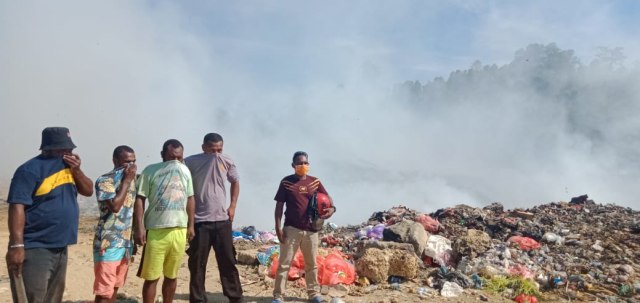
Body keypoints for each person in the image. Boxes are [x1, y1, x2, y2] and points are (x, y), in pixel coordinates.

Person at [5, 127, 94, 303]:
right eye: (63, 149)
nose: (68, 152)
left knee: (53, 298)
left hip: (60, 246)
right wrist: (16, 246)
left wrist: (77, 170)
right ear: (48, 148)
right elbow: (17, 206)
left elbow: (88, 190)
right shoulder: (29, 170)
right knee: (32, 297)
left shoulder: (69, 168)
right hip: (36, 246)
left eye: (70, 148)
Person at [133, 139, 195, 303]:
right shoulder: (150, 171)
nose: (176, 161)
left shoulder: (185, 171)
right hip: (156, 230)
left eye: (179, 157)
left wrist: (191, 225)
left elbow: (190, 198)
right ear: (163, 155)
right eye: (172, 157)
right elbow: (140, 199)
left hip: (179, 230)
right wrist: (138, 228)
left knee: (172, 275)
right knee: (152, 277)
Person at [185, 133, 243, 303]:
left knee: (228, 261)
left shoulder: (227, 160)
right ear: (204, 147)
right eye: (213, 150)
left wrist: (232, 206)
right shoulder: (190, 162)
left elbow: (235, 181)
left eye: (220, 149)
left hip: (222, 220)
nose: (216, 153)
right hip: (199, 221)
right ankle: (198, 299)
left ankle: (235, 297)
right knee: (197, 264)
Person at [272, 151, 336, 303]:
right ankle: (278, 296)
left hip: (311, 230)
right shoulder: (286, 182)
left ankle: (313, 294)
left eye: (305, 163)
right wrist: (277, 227)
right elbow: (279, 206)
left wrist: (332, 209)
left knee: (312, 264)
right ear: (293, 165)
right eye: (300, 163)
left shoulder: (315, 182)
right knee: (284, 263)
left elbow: (327, 199)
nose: (303, 165)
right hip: (291, 229)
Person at [93, 145, 137, 303]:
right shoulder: (106, 180)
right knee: (104, 291)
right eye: (126, 162)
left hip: (125, 242)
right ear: (115, 160)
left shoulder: (133, 179)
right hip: (108, 242)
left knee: (115, 287)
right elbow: (115, 207)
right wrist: (126, 181)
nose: (131, 166)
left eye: (133, 162)